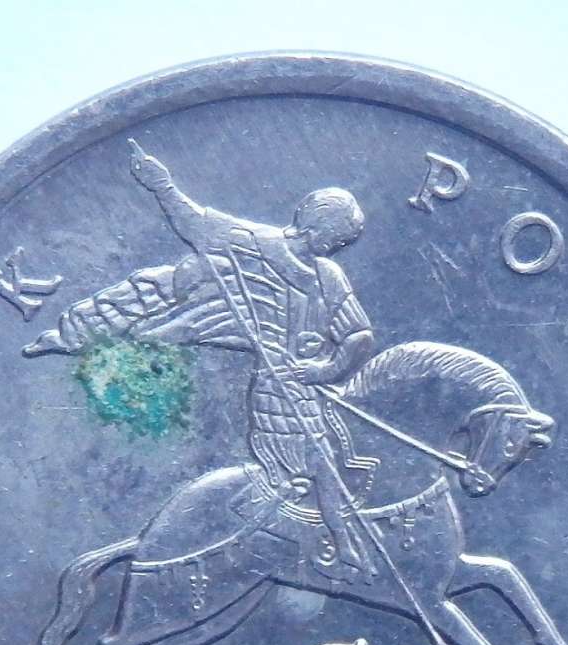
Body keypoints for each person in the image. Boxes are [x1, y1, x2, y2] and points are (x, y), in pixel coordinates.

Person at [27, 140, 377, 581]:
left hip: (311, 386)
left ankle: (328, 536)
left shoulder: (329, 276)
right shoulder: (252, 243)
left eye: (346, 241)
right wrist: (161, 185)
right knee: (312, 461)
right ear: (316, 226)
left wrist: (326, 369)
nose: (340, 245)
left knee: (335, 456)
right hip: (275, 388)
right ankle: (326, 544)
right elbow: (194, 221)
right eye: (339, 236)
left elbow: (360, 335)